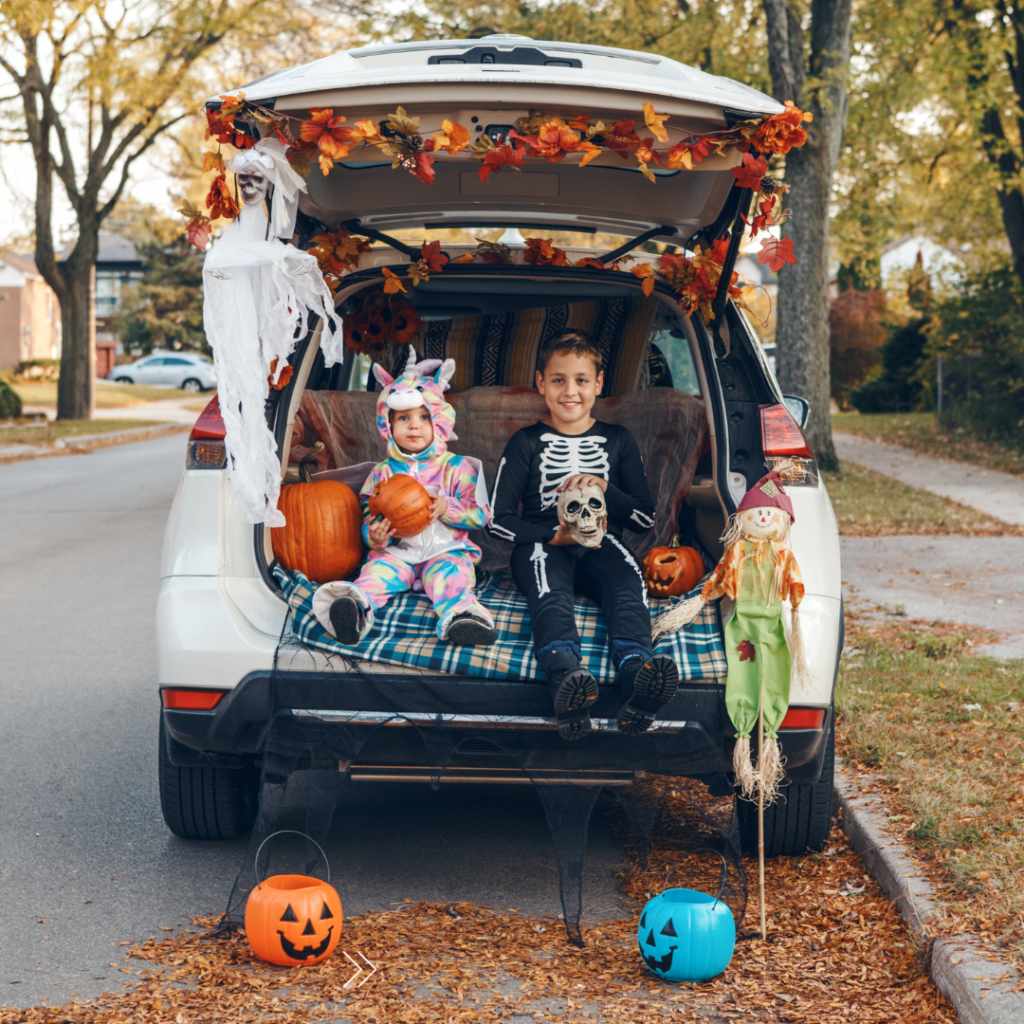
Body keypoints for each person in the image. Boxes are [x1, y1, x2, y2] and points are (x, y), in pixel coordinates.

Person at [489, 330, 680, 739]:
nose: (569, 390)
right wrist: (550, 536)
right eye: (558, 380)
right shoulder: (526, 442)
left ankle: (636, 676)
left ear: (598, 383)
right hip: (544, 543)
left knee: (627, 586)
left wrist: (606, 488)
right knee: (550, 591)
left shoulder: (618, 440)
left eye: (580, 380)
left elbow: (645, 519)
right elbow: (499, 519)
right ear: (540, 383)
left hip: (600, 539)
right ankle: (564, 676)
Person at [312, 347, 497, 647]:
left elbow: (481, 514)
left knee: (452, 579)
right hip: (397, 553)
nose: (414, 425)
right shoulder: (382, 474)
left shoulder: (456, 467)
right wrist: (375, 535)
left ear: (438, 423)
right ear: (388, 426)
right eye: (403, 418)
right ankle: (353, 612)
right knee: (375, 574)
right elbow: (367, 517)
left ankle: (463, 617)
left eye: (424, 417)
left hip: (444, 550)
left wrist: (446, 507)